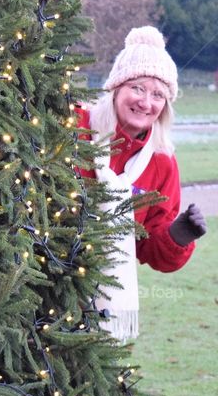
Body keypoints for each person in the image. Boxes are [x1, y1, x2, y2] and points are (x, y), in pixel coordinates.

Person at [75, 26, 206, 341]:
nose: (146, 103)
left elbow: (150, 248)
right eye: (137, 88)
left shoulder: (162, 163)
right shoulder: (76, 126)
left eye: (158, 94)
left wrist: (178, 235)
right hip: (40, 277)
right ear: (117, 88)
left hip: (101, 302)